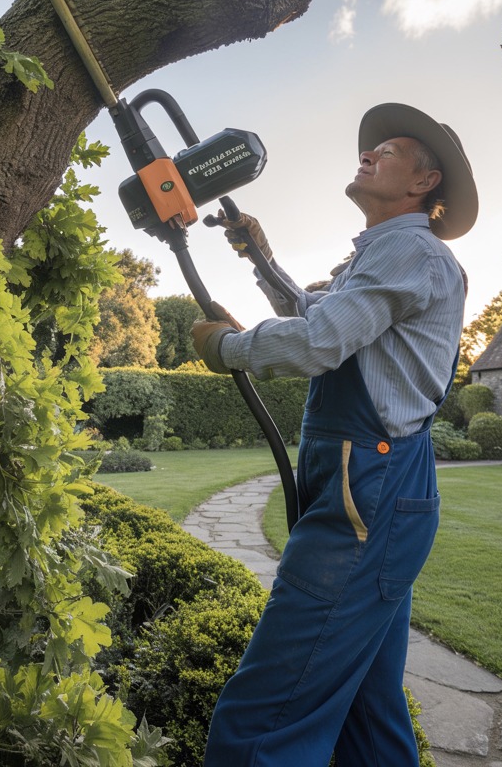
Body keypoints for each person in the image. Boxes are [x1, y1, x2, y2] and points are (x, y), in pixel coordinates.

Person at [190, 102, 478, 767]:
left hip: (366, 497)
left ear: (423, 183)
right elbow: (316, 311)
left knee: (262, 722)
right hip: (375, 491)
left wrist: (228, 348)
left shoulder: (409, 248)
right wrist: (257, 255)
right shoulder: (383, 256)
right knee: (367, 721)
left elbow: (319, 340)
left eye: (392, 148)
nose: (370, 151)